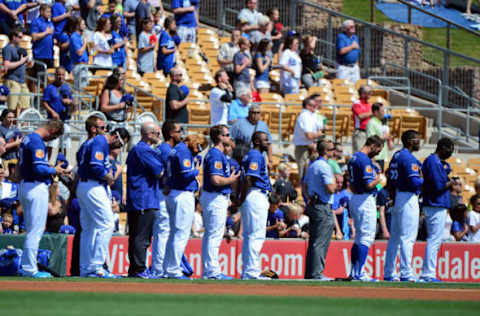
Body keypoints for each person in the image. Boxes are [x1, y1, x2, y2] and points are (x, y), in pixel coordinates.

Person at [76, 126, 130, 278]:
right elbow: (95, 165)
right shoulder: (100, 141)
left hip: (86, 184)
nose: (119, 147)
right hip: (94, 184)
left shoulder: (92, 142)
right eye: (120, 143)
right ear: (115, 136)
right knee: (106, 223)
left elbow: (79, 155)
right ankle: (96, 266)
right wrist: (108, 176)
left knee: (89, 228)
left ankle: (86, 267)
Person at [19, 119, 66, 278]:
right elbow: (38, 168)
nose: (50, 140)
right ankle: (30, 269)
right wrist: (54, 169)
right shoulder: (37, 141)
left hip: (25, 184)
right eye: (53, 137)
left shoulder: (27, 138)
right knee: (35, 231)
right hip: (35, 186)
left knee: (32, 229)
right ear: (52, 131)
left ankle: (27, 267)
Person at [200, 125, 240, 279]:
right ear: (220, 137)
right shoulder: (216, 154)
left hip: (215, 197)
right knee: (214, 235)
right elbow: (215, 179)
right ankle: (212, 271)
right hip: (215, 196)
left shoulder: (217, 154)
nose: (229, 137)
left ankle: (209, 269)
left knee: (211, 235)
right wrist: (230, 179)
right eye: (227, 134)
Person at [164, 134, 205, 279]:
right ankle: (173, 269)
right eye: (198, 147)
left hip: (174, 193)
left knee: (174, 233)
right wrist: (196, 169)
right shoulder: (183, 151)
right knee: (181, 234)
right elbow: (186, 174)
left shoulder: (176, 150)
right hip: (182, 194)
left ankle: (168, 267)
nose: (197, 151)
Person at [384, 130, 423, 282]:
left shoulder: (397, 155)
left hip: (398, 196)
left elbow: (390, 180)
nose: (419, 142)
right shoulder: (408, 157)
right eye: (417, 139)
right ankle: (406, 273)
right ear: (410, 140)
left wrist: (392, 197)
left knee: (395, 238)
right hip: (408, 197)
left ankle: (389, 272)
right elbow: (415, 182)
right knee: (408, 238)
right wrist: (423, 179)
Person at [126, 122, 164, 279]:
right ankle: (139, 268)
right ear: (148, 134)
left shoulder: (139, 149)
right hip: (144, 198)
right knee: (142, 236)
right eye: (156, 132)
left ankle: (135, 269)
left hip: (142, 197)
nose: (159, 135)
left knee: (137, 235)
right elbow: (160, 171)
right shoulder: (144, 150)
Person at [347, 135, 383, 282]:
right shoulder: (364, 159)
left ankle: (354, 272)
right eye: (378, 150)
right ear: (373, 146)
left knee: (358, 238)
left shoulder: (353, 157)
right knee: (366, 237)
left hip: (355, 197)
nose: (378, 153)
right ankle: (360, 273)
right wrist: (379, 180)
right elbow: (369, 184)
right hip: (365, 199)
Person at [419, 137, 454, 282]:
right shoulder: (433, 161)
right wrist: (451, 182)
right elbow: (439, 186)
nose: (450, 154)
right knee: (434, 239)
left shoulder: (436, 162)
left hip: (435, 204)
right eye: (450, 150)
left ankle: (428, 272)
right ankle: (428, 273)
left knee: (435, 239)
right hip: (435, 204)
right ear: (443, 148)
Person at [149, 120, 182, 277]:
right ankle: (159, 267)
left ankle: (160, 266)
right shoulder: (164, 149)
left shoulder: (167, 149)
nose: (181, 134)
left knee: (165, 230)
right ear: (171, 133)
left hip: (164, 192)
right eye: (179, 131)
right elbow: (159, 172)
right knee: (163, 230)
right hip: (162, 193)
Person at [238, 131, 271, 279]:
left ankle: (248, 271)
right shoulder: (255, 155)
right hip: (256, 194)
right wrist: (243, 198)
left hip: (253, 195)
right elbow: (249, 178)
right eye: (265, 140)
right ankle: (251, 271)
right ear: (257, 141)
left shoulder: (253, 155)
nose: (268, 142)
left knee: (250, 235)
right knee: (256, 235)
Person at [303, 139, 337, 281]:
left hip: (314, 204)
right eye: (331, 149)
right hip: (323, 205)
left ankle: (311, 273)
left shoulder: (313, 165)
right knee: (321, 241)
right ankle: (317, 273)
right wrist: (335, 184)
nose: (334, 151)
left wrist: (309, 198)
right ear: (326, 151)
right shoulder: (325, 166)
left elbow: (304, 185)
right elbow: (330, 188)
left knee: (314, 241)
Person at [42, 67, 74, 157]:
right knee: (51, 144)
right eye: (58, 74)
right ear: (55, 75)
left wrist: (70, 102)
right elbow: (44, 102)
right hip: (53, 121)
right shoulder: (49, 88)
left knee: (64, 145)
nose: (60, 77)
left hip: (65, 120)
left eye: (62, 75)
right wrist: (52, 112)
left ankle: (61, 164)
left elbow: (74, 102)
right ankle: (46, 163)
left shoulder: (67, 88)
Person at [293, 95, 323, 180]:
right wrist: (319, 134)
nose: (316, 107)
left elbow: (322, 128)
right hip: (303, 149)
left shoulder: (313, 115)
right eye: (314, 106)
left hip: (310, 148)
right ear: (307, 106)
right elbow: (309, 135)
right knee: (303, 175)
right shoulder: (305, 116)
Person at [3, 27, 31, 115]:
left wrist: (28, 62)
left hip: (22, 81)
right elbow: (6, 65)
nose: (21, 39)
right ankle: (10, 126)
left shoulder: (20, 48)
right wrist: (21, 62)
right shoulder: (7, 49)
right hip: (12, 80)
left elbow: (25, 64)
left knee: (25, 106)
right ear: (13, 37)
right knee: (12, 108)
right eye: (19, 37)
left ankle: (21, 127)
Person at [31, 4, 55, 76]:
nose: (49, 14)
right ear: (41, 12)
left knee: (50, 78)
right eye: (47, 12)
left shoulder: (50, 23)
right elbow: (34, 37)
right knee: (40, 78)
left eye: (50, 12)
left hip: (50, 55)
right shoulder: (36, 22)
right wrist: (46, 32)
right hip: (40, 55)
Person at [366, 102, 390, 171]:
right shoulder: (371, 123)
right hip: (376, 157)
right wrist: (384, 137)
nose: (384, 113)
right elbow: (371, 140)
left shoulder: (379, 122)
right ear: (376, 112)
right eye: (382, 111)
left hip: (381, 156)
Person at [69, 17, 89, 90]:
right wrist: (84, 44)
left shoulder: (81, 36)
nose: (85, 26)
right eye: (83, 24)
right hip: (79, 65)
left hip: (84, 65)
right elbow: (79, 52)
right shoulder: (74, 37)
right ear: (77, 25)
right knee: (80, 89)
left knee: (84, 88)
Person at [352, 85, 372, 153]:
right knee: (359, 153)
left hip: (368, 132)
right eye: (369, 92)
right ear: (363, 93)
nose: (371, 94)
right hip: (360, 132)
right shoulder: (357, 103)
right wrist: (373, 113)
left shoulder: (369, 104)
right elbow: (360, 116)